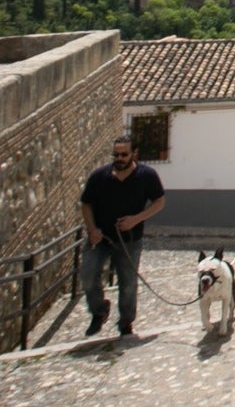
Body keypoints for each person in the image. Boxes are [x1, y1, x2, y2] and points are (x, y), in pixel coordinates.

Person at [79, 135, 166, 337]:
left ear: (134, 154)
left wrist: (136, 220)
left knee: (127, 284)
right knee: (88, 276)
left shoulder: (147, 176)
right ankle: (99, 311)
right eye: (116, 154)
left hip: (130, 241)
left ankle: (126, 322)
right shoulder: (99, 177)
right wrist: (92, 229)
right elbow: (86, 203)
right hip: (100, 239)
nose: (119, 158)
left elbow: (159, 202)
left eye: (123, 154)